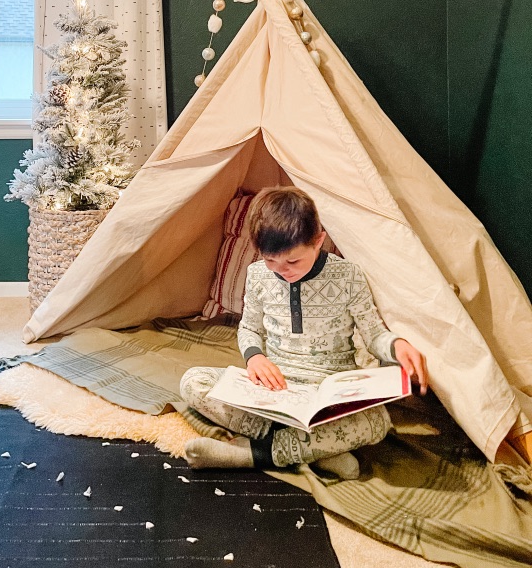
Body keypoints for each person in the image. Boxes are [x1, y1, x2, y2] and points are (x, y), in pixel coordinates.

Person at [181, 186, 428, 479]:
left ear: (318, 240)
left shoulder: (349, 275)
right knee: (193, 382)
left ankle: (251, 454)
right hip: (276, 388)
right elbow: (249, 327)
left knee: (375, 422)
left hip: (331, 389)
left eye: (293, 261)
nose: (282, 270)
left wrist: (396, 345)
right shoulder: (258, 274)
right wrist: (255, 357)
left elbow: (374, 334)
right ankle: (316, 450)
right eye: (271, 260)